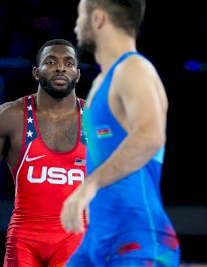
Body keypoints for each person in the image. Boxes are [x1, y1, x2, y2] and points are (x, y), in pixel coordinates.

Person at [0, 39, 87, 267]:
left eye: (68, 63)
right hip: (25, 238)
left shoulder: (96, 119)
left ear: (78, 74)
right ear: (35, 72)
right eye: (51, 62)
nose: (61, 67)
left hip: (74, 236)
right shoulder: (10, 117)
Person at [60, 0, 180, 266]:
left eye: (81, 16)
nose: (76, 25)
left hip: (138, 241)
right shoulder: (101, 83)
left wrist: (88, 186)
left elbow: (150, 137)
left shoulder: (134, 69)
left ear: (98, 19)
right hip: (97, 239)